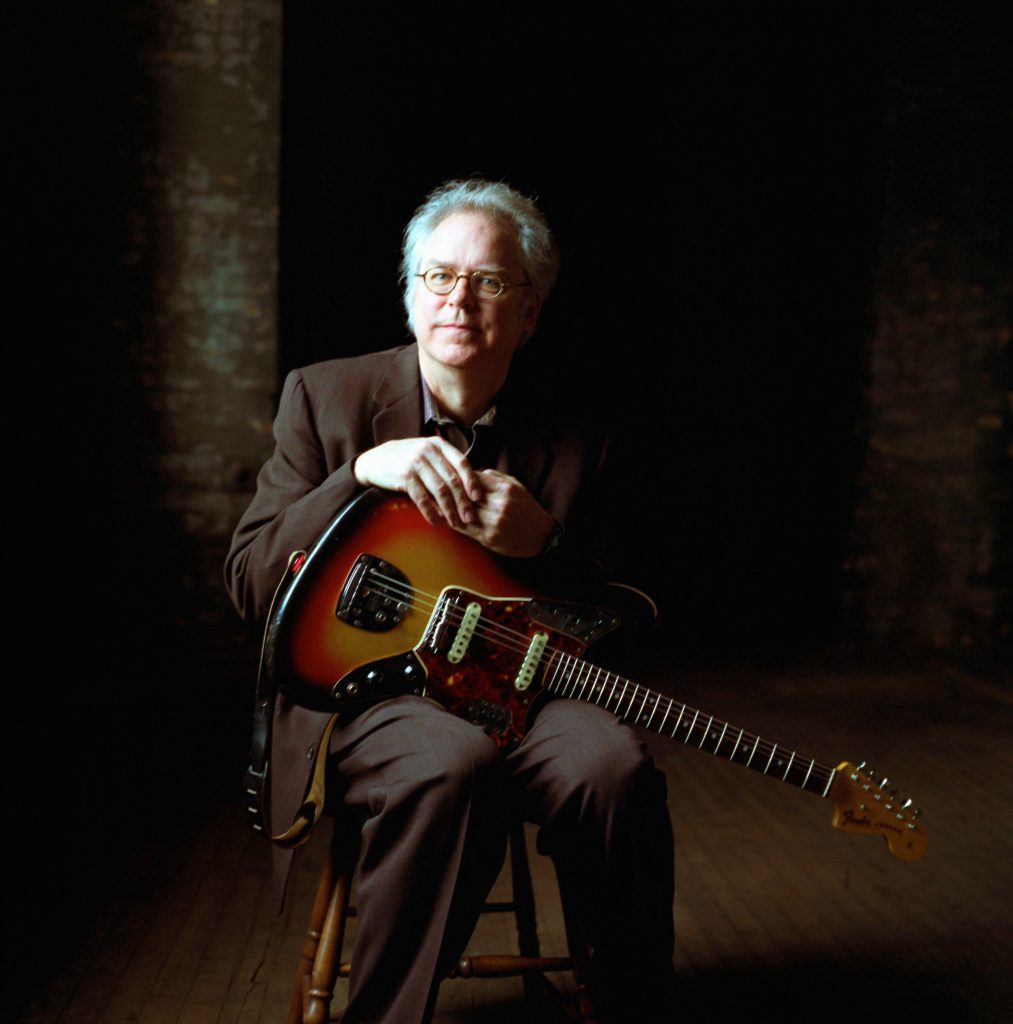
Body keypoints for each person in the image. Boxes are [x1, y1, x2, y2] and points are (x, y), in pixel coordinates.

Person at [226, 179, 675, 1024]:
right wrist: (356, 477)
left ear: (531, 312)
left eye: (490, 282)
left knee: (613, 768)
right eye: (436, 277)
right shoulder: (325, 398)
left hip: (529, 694)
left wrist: (544, 543)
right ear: (407, 294)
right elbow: (251, 583)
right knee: (448, 762)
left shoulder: (581, 435)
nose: (459, 301)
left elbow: (636, 611)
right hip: (370, 699)